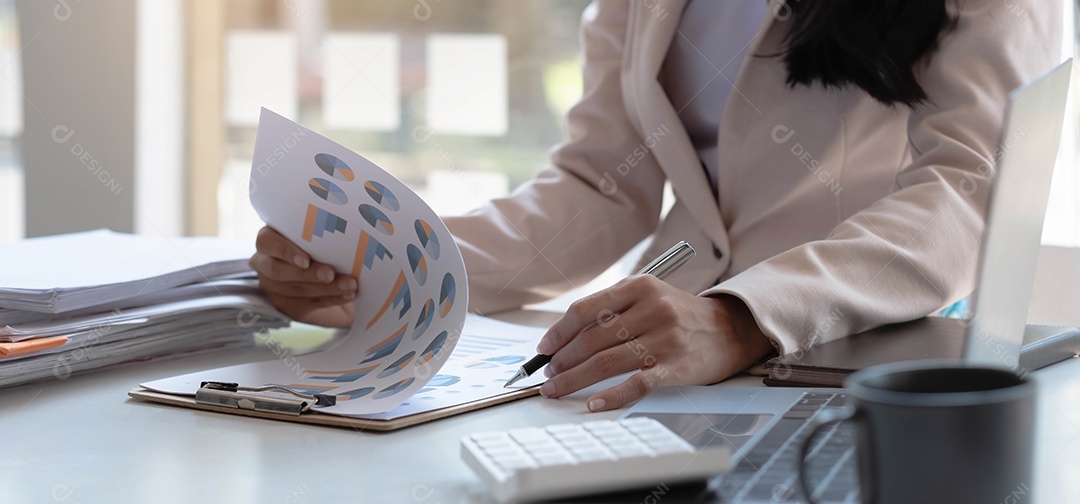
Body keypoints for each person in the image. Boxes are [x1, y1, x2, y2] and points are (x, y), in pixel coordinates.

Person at [250, 0, 1061, 412]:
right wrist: (384, 262)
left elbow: (969, 188)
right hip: (664, 347)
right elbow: (602, 183)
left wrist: (742, 316)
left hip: (859, 349)